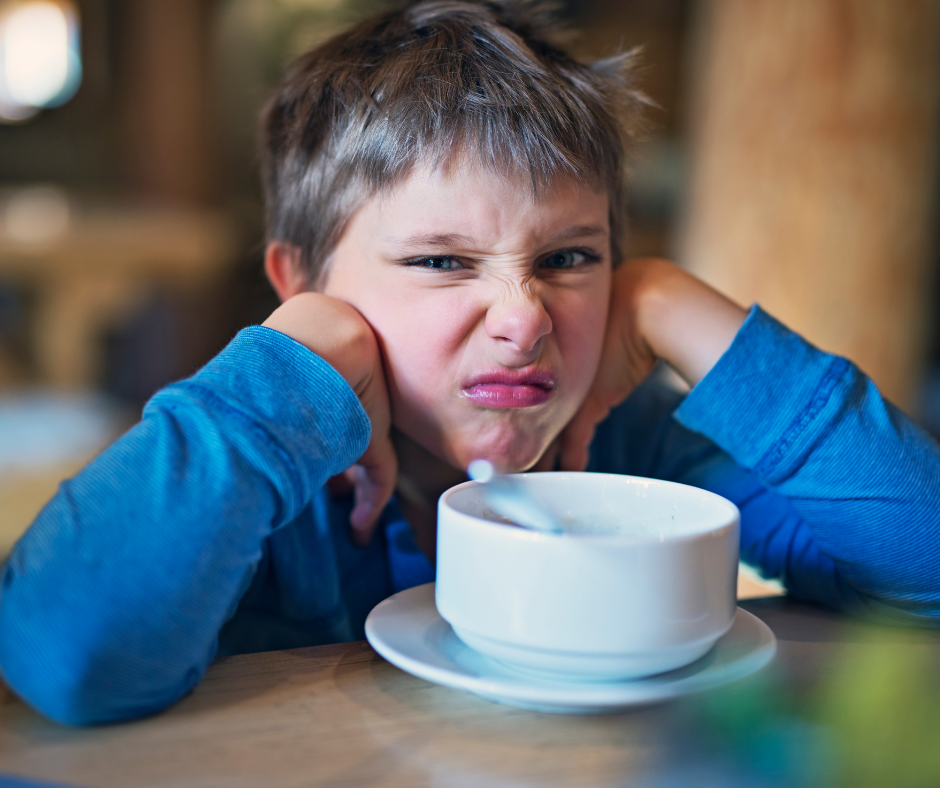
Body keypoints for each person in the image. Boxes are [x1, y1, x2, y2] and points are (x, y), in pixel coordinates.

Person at [2, 0, 939, 726]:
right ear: (301, 284)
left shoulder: (635, 446)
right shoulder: (263, 464)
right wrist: (297, 362)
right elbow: (67, 653)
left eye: (570, 258)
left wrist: (669, 302)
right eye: (442, 262)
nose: (523, 321)